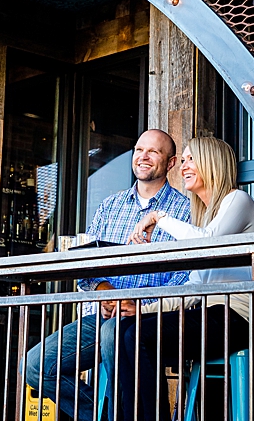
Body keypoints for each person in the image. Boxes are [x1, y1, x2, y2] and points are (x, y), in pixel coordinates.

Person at [23, 130, 192, 421]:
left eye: (154, 152)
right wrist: (102, 289)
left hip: (152, 317)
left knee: (115, 337)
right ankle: (106, 416)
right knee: (37, 365)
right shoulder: (109, 207)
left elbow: (186, 274)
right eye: (139, 149)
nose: (144, 156)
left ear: (171, 162)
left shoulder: (184, 211)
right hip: (104, 314)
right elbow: (85, 265)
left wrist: (139, 303)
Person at [131, 136, 254, 384]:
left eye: (192, 159)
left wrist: (159, 217)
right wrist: (140, 309)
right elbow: (191, 290)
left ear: (212, 163)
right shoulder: (204, 218)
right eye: (182, 160)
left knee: (136, 336)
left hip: (240, 319)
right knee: (126, 331)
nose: (184, 167)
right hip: (211, 313)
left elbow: (208, 242)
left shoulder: (238, 200)